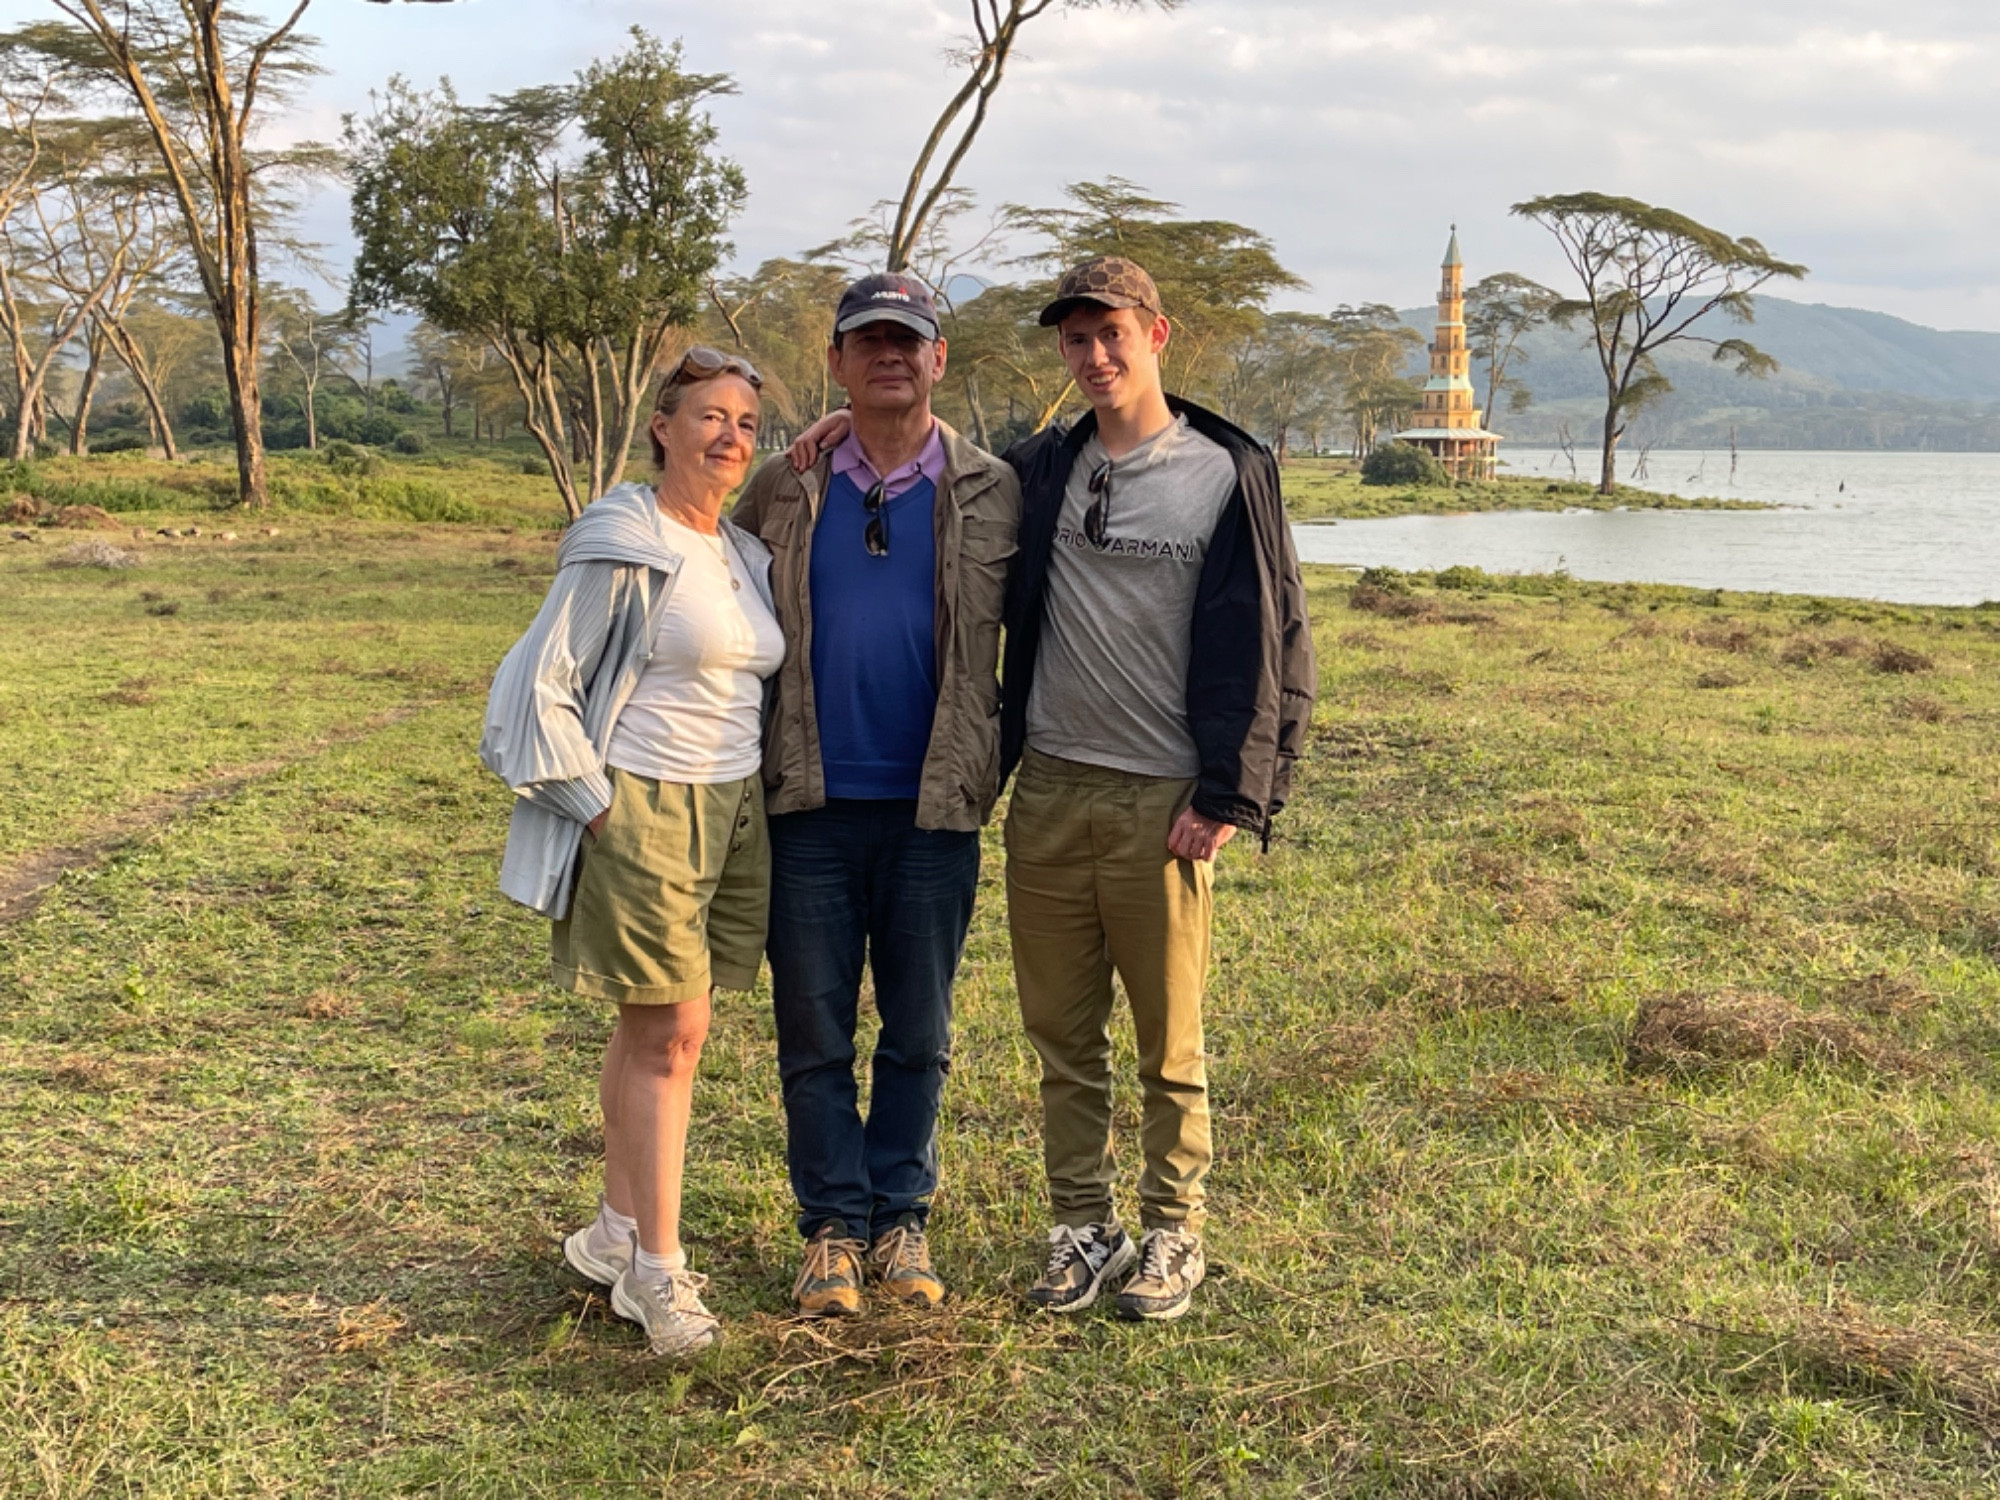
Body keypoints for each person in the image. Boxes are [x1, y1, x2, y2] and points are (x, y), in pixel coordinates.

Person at [792, 254, 1315, 1321]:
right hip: (1045, 794)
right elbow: (920, 461)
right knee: (1060, 1036)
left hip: (1162, 797)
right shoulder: (1039, 469)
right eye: (1074, 338)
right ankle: (1081, 1228)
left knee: (1168, 1037)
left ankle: (1174, 1232)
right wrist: (827, 434)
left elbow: (1275, 638)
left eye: (1111, 332)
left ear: (1158, 334)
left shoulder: (1226, 469)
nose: (1093, 355)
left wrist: (1233, 792)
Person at [480, 347, 782, 1357]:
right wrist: (596, 807)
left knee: (658, 1033)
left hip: (732, 808)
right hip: (645, 806)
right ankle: (657, 1272)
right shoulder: (623, 534)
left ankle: (613, 1231)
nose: (729, 435)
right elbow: (533, 686)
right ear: (663, 425)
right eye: (709, 415)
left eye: (745, 421)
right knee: (669, 1037)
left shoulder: (739, 553)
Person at [733, 272, 1021, 1316]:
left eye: (910, 340)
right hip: (805, 802)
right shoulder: (782, 487)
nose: (890, 355)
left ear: (939, 359)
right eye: (869, 342)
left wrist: (995, 757)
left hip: (933, 808)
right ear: (838, 363)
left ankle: (902, 1221)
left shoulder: (995, 486)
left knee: (918, 1030)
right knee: (811, 1032)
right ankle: (829, 1232)